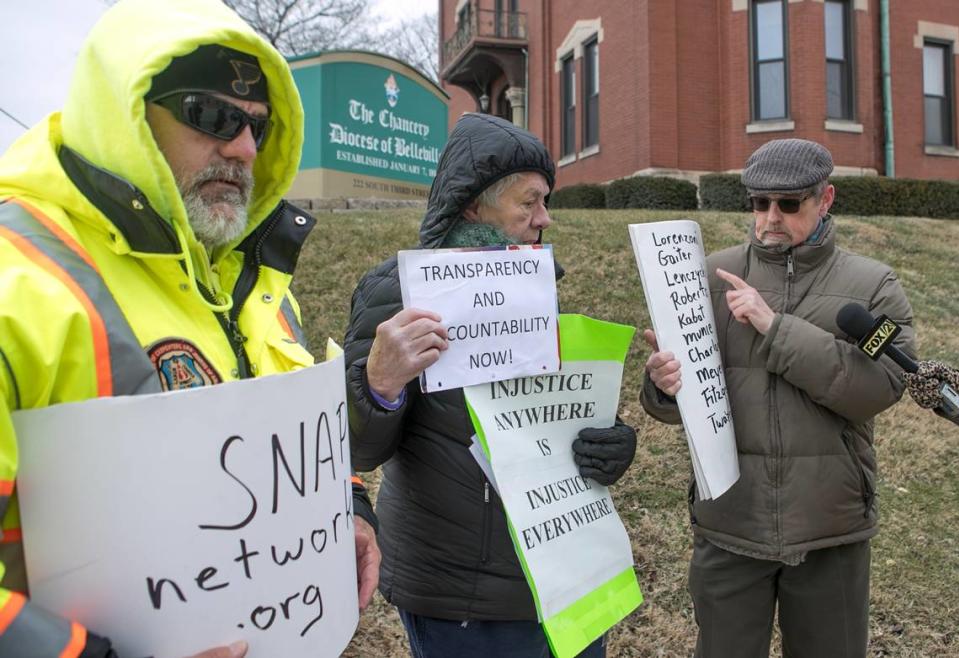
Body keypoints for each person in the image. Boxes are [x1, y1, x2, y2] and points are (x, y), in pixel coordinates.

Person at [0, 1, 379, 656]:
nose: (242, 148)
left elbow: (286, 452)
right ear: (125, 113)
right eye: (212, 117)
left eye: (257, 128)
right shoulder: (18, 279)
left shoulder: (252, 283)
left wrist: (350, 507)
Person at [343, 112, 638, 658]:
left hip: (561, 570)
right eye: (529, 202)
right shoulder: (398, 291)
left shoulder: (534, 285)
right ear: (475, 203)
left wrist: (610, 442)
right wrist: (380, 383)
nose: (544, 218)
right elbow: (358, 448)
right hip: (462, 595)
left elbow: (548, 409)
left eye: (545, 201)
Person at [641, 138, 916, 658]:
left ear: (826, 198)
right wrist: (662, 384)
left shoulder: (873, 285)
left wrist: (774, 327)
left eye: (789, 204)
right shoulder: (707, 279)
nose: (771, 217)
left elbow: (879, 387)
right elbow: (670, 405)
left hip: (829, 531)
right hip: (730, 526)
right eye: (758, 203)